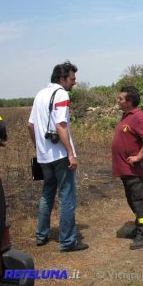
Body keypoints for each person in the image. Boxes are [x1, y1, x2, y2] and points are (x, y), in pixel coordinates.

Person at [27, 61, 88, 252]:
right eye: (72, 78)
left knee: (47, 194)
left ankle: (41, 235)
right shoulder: (61, 93)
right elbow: (61, 125)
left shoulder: (40, 94)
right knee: (67, 196)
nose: (74, 82)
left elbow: (31, 125)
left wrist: (39, 147)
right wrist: (70, 154)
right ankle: (68, 241)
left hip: (44, 156)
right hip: (60, 155)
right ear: (62, 79)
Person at [111, 85, 143, 250]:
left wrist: (139, 156)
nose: (118, 100)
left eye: (121, 98)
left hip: (135, 169)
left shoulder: (137, 117)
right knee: (132, 200)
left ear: (129, 101)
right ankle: (140, 228)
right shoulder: (126, 116)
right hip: (125, 169)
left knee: (139, 201)